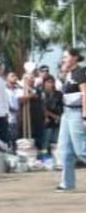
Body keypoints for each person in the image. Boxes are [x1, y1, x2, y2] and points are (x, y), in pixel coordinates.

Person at [55, 47, 86, 192]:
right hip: (66, 114)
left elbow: (85, 94)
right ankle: (67, 183)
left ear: (74, 57)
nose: (64, 59)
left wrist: (85, 116)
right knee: (65, 150)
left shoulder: (80, 73)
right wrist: (63, 70)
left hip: (76, 113)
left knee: (81, 150)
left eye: (66, 57)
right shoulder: (68, 74)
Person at [40, 76, 61, 160]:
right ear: (44, 83)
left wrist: (58, 117)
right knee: (45, 141)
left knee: (55, 141)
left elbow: (61, 106)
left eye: (52, 82)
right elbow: (43, 108)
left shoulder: (58, 94)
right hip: (46, 121)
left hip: (57, 121)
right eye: (48, 82)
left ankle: (54, 158)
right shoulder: (42, 93)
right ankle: (44, 158)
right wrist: (51, 116)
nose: (50, 84)